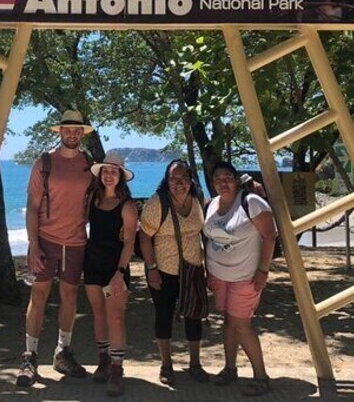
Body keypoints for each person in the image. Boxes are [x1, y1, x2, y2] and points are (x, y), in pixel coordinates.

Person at [16, 110, 95, 387]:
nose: (72, 134)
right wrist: (33, 243)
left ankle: (62, 352)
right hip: (46, 240)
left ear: (82, 133)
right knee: (38, 296)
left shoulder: (89, 164)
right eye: (67, 129)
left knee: (70, 297)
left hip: (75, 241)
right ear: (60, 132)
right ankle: (30, 356)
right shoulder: (44, 162)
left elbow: (99, 201)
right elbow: (33, 207)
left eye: (77, 130)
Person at [203, 161, 278, 397]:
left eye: (227, 177)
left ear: (236, 180)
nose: (222, 183)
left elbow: (270, 236)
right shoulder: (213, 204)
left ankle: (261, 376)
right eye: (217, 179)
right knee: (228, 321)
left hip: (244, 277)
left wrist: (263, 271)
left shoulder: (251, 202)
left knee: (241, 325)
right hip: (219, 275)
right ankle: (230, 367)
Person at [138, 159, 210, 385]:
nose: (179, 183)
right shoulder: (157, 203)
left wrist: (209, 266)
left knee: (194, 316)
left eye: (183, 178)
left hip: (193, 269)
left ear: (190, 179)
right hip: (163, 270)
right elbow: (144, 237)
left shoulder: (199, 200)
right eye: (173, 178)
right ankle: (166, 364)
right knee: (163, 316)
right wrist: (151, 269)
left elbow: (205, 234)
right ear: (166, 180)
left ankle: (195, 363)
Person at [84, 152, 138, 397]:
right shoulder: (92, 199)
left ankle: (117, 367)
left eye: (114, 171)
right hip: (92, 263)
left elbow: (129, 243)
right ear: (100, 174)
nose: (109, 175)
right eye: (106, 171)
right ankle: (103, 359)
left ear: (121, 176)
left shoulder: (127, 205)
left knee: (115, 316)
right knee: (97, 313)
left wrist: (120, 272)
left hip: (115, 267)